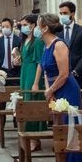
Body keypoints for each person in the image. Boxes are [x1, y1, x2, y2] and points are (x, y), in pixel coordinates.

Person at [32, 13, 82, 162]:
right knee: (59, 129)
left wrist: (51, 90)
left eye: (38, 25)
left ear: (45, 28)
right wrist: (49, 92)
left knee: (70, 128)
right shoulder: (46, 46)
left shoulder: (59, 45)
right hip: (55, 89)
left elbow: (64, 74)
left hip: (67, 89)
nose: (35, 28)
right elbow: (46, 71)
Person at [17, 14, 47, 149]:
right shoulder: (25, 40)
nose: (23, 27)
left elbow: (40, 62)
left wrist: (36, 82)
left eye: (25, 24)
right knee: (25, 102)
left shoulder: (38, 41)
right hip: (25, 72)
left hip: (33, 73)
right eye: (21, 25)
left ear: (33, 25)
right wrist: (18, 60)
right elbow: (25, 57)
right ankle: (30, 136)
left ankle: (34, 138)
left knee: (32, 104)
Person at [57, 1, 82, 89]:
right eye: (61, 13)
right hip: (59, 74)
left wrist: (76, 71)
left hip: (77, 75)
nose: (62, 16)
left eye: (65, 13)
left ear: (72, 13)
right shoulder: (57, 31)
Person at [0, 18, 22, 87]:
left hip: (16, 71)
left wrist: (19, 61)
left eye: (7, 27)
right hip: (2, 72)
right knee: (2, 93)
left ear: (12, 27)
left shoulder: (19, 40)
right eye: (3, 27)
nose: (4, 29)